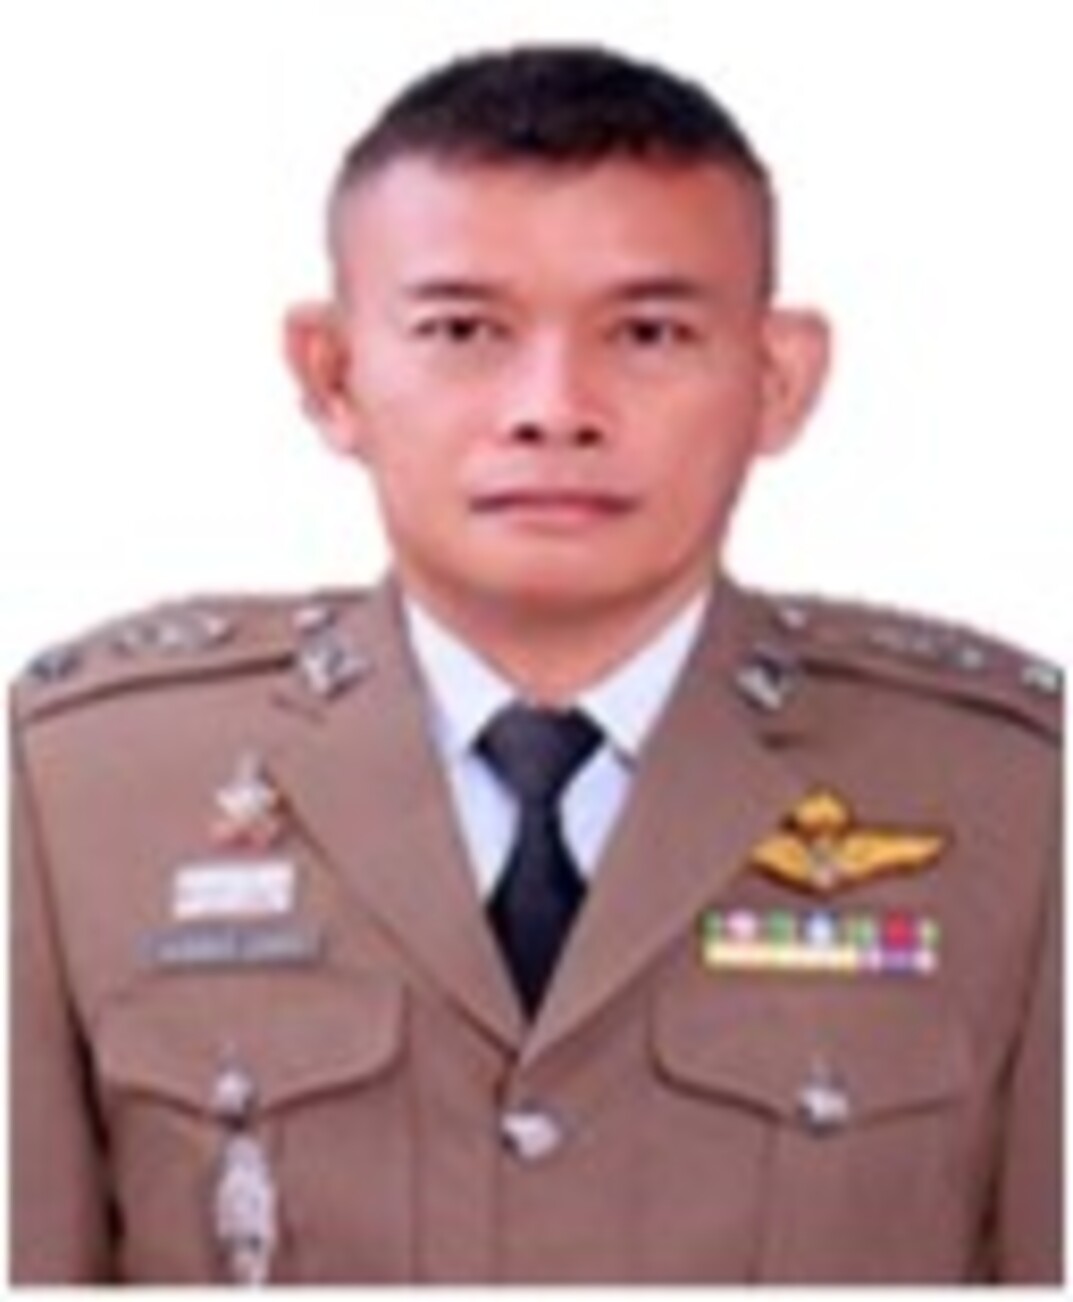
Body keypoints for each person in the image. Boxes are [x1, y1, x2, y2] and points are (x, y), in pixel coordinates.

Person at [10, 44, 1062, 1285]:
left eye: (648, 332)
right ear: (332, 373)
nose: (553, 407)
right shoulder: (81, 791)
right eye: (463, 330)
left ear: (776, 379)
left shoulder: (1012, 796)